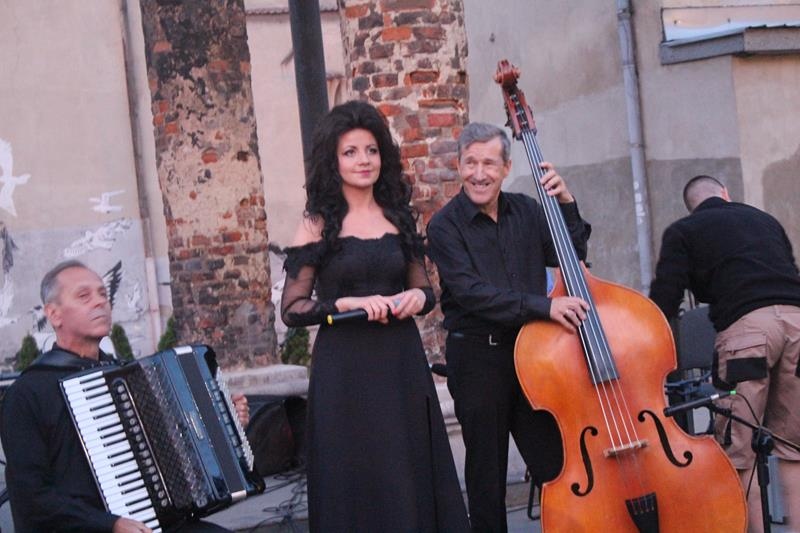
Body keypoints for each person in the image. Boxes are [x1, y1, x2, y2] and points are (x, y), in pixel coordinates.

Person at [280, 100, 469, 532]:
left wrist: (415, 299)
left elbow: (425, 290)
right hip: (344, 370)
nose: (363, 160)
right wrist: (343, 306)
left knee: (406, 469)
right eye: (350, 152)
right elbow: (292, 309)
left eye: (371, 150)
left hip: (399, 363)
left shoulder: (397, 216)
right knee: (355, 476)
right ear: (333, 160)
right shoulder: (316, 224)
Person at [0, 260, 249, 533]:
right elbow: (31, 498)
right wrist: (110, 524)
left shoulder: (126, 378)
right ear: (54, 314)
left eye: (103, 294)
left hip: (152, 524)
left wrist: (223, 427)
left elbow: (173, 451)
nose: (100, 302)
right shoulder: (27, 394)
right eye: (84, 296)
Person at [426, 122, 592, 532]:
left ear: (506, 168)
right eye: (470, 163)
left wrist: (566, 202)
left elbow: (571, 254)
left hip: (533, 356)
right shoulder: (444, 226)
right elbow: (471, 293)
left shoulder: (528, 211)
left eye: (489, 163)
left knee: (556, 465)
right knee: (487, 480)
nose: (479, 173)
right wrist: (545, 307)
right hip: (478, 361)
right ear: (458, 165)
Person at [649, 175, 800, 533]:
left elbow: (664, 302)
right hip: (797, 325)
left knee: (739, 452)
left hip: (747, 334)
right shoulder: (765, 220)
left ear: (692, 206)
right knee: (794, 447)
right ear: (726, 194)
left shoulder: (683, 231)